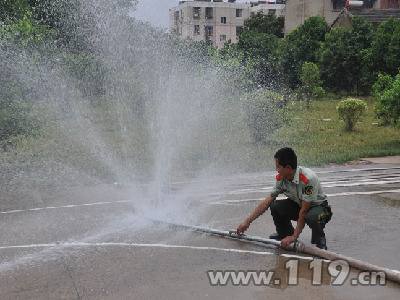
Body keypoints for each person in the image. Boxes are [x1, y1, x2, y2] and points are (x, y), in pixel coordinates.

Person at [237, 147, 332, 250]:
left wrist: (295, 237)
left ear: (287, 167)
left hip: (318, 208)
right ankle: (284, 234)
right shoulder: (282, 178)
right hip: (300, 205)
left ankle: (319, 239)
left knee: (312, 217)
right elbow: (267, 202)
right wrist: (247, 222)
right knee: (275, 206)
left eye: (278, 167)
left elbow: (304, 211)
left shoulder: (308, 179)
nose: (277, 170)